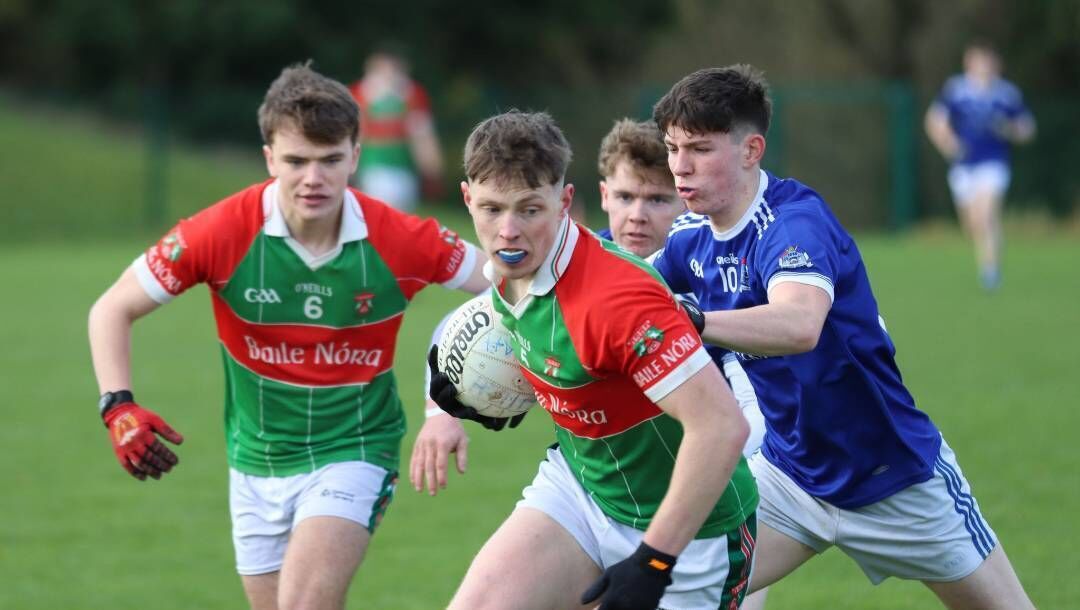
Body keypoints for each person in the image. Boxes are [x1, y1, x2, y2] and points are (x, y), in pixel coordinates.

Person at [87, 63, 489, 610]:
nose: (313, 178)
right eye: (296, 161)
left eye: (330, 160)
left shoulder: (402, 237)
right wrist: (118, 406)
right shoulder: (221, 232)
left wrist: (445, 406)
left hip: (355, 448)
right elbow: (111, 309)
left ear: (355, 154)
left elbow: (508, 285)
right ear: (269, 158)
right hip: (254, 462)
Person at [650, 65, 1034, 609]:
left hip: (896, 479)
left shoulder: (793, 224)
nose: (680, 167)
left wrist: (695, 321)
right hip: (790, 481)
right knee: (658, 592)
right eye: (672, 148)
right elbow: (625, 290)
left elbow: (799, 323)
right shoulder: (690, 237)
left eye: (699, 149)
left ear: (751, 150)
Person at [428, 110, 758, 610]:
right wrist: (477, 396)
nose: (508, 230)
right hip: (579, 492)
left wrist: (655, 559)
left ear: (565, 203)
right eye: (492, 208)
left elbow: (721, 428)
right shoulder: (507, 265)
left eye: (529, 210)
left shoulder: (617, 298)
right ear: (467, 199)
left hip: (692, 532)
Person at [924, 42, 1035, 291]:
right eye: (976, 62)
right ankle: (989, 258)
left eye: (986, 62)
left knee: (986, 215)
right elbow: (934, 121)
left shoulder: (1006, 94)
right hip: (963, 166)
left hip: (994, 163)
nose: (982, 67)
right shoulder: (956, 90)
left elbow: (1027, 129)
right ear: (968, 64)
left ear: (995, 64)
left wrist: (1010, 129)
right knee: (972, 224)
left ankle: (990, 271)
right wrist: (948, 144)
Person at [348, 46, 444, 212]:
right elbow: (355, 136)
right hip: (372, 170)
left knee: (399, 218)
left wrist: (432, 170)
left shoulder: (412, 95)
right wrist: (349, 169)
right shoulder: (359, 94)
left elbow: (422, 137)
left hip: (404, 170)